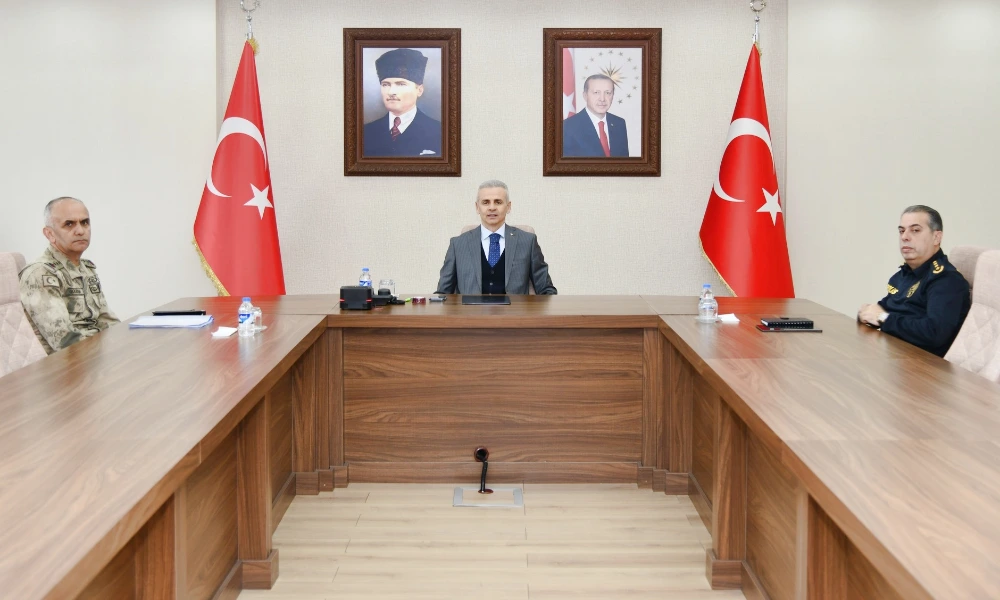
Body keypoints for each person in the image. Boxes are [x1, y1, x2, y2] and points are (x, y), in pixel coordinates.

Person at [857, 205, 970, 357]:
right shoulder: (904, 275)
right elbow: (883, 310)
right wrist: (866, 314)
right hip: (894, 355)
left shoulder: (946, 280)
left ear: (936, 237)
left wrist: (883, 318)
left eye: (915, 230)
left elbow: (934, 333)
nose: (905, 237)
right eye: (901, 231)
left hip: (923, 366)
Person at [19, 197, 119, 354]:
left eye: (85, 222)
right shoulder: (40, 273)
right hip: (65, 364)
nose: (80, 231)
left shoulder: (86, 268)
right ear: (50, 234)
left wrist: (126, 342)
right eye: (69, 224)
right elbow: (65, 341)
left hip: (96, 355)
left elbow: (107, 321)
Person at [436, 180, 557, 295]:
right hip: (470, 310)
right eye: (485, 202)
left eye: (498, 202)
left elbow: (546, 290)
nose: (492, 207)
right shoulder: (457, 245)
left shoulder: (528, 242)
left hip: (515, 310)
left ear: (508, 207)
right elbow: (443, 293)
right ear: (477, 207)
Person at [362, 48, 442, 157]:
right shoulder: (365, 132)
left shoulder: (439, 131)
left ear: (419, 90)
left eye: (401, 84)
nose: (391, 92)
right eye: (385, 85)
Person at [562, 74, 630, 157]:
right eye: (596, 92)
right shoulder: (567, 127)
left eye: (608, 93)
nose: (602, 99)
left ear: (613, 95)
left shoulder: (619, 123)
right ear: (585, 95)